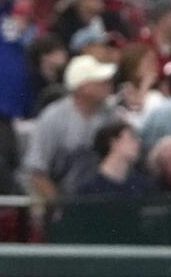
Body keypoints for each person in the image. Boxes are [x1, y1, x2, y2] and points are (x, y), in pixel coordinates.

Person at [23, 54, 116, 204]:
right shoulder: (53, 117)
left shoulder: (111, 116)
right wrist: (62, 206)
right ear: (83, 86)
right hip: (62, 200)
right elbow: (37, 172)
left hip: (105, 203)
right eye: (100, 81)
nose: (108, 84)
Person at [76, 120, 149, 195]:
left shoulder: (143, 186)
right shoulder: (89, 188)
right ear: (113, 143)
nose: (138, 143)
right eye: (132, 137)